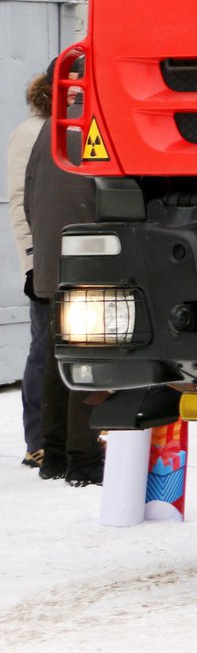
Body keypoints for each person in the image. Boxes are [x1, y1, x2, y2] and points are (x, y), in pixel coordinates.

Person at [26, 65, 102, 485]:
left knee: (59, 360)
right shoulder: (95, 125)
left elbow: (28, 194)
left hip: (54, 258)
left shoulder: (50, 128)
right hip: (90, 260)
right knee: (89, 359)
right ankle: (84, 459)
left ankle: (54, 454)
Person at [7, 73, 50, 469]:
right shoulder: (32, 132)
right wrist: (32, 260)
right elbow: (22, 202)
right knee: (43, 349)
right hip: (44, 261)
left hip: (72, 256)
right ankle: (36, 439)